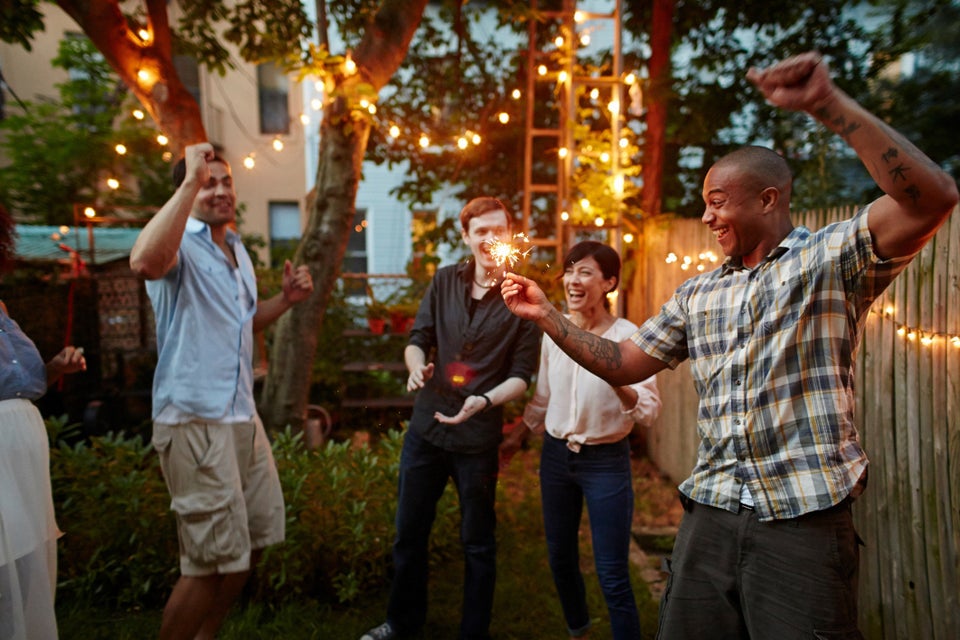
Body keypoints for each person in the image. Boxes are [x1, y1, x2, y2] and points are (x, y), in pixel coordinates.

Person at [501, 51, 959, 640]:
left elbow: (932, 197)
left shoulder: (828, 260)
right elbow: (624, 360)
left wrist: (827, 103)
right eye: (705, 202)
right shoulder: (697, 295)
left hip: (802, 520)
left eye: (718, 200)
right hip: (710, 514)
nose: (707, 214)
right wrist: (545, 315)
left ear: (768, 199)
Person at [129, 143, 314, 640]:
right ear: (186, 192)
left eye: (225, 181)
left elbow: (244, 322)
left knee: (252, 540)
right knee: (208, 563)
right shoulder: (177, 246)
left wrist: (287, 300)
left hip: (240, 417)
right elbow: (143, 263)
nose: (220, 189)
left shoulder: (237, 251)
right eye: (206, 182)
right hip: (193, 419)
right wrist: (189, 178)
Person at [361, 197, 542, 640]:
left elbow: (522, 376)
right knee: (409, 535)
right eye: (479, 231)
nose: (488, 238)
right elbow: (417, 337)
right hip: (426, 429)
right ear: (467, 236)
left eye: (497, 230)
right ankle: (402, 625)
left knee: (477, 543)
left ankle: (473, 633)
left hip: (477, 438)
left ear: (509, 236)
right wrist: (415, 364)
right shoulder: (444, 282)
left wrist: (485, 400)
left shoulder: (525, 297)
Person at [502, 240, 661, 639]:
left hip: (605, 461)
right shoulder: (554, 332)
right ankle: (579, 631)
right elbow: (542, 399)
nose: (573, 280)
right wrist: (515, 437)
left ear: (609, 282)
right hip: (556, 457)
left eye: (585, 272)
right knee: (560, 558)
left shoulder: (629, 337)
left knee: (610, 571)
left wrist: (617, 377)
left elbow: (648, 410)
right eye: (569, 271)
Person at [0, 202, 87, 640]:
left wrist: (55, 367)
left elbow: (19, 381)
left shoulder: (1, 304)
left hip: (24, 449)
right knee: (4, 571)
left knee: (30, 566)